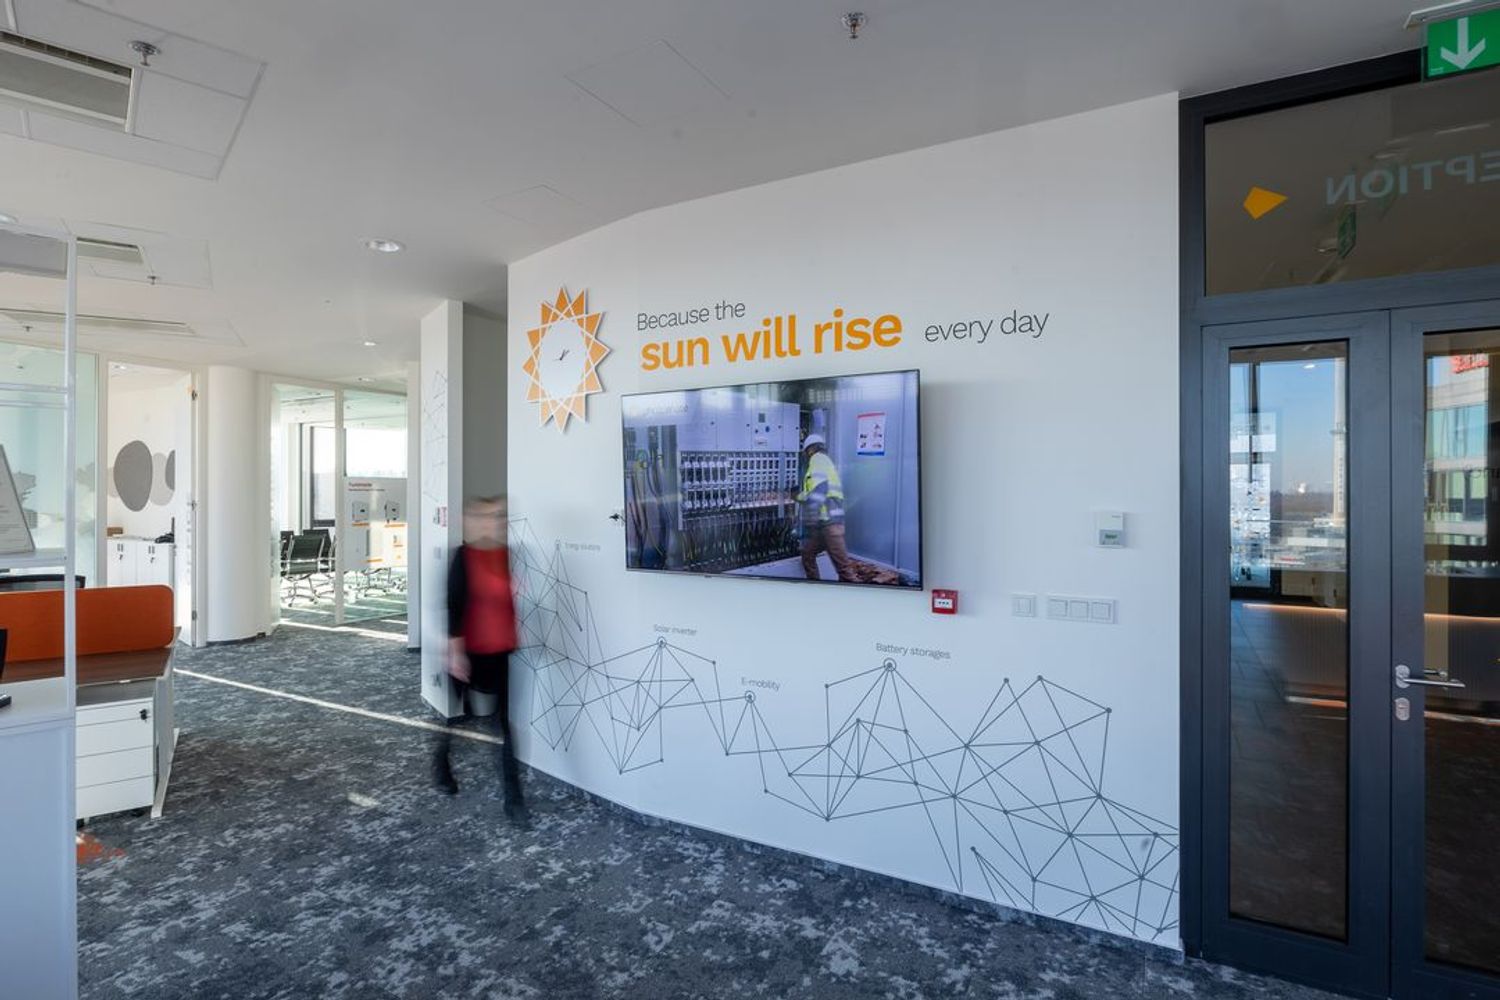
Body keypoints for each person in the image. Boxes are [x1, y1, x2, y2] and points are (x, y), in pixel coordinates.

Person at [433, 495, 527, 822]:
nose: (493, 523)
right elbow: (454, 607)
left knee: (504, 725)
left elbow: (508, 601)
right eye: (485, 517)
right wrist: (455, 653)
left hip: (500, 650)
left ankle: (514, 798)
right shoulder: (463, 557)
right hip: (468, 653)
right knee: (457, 718)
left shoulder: (506, 555)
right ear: (471, 522)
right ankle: (441, 764)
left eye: (497, 517)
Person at [795, 433, 857, 582]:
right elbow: (815, 492)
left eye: (806, 451)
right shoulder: (824, 462)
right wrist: (797, 496)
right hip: (824, 525)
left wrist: (811, 519)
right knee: (807, 553)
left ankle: (856, 593)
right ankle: (815, 588)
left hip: (830, 525)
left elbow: (819, 492)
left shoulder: (817, 460)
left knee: (844, 569)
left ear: (810, 449)